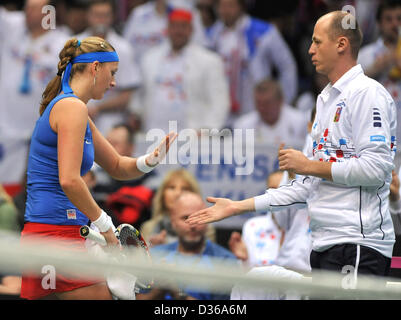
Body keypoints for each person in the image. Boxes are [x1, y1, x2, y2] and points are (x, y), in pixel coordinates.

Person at [187, 10, 397, 287]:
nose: (310, 50)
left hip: (357, 242)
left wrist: (307, 165)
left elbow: (377, 170)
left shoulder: (368, 94)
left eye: (317, 42)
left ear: (342, 44)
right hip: (324, 243)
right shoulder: (325, 99)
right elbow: (306, 187)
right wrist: (238, 207)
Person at [19, 36, 177, 300]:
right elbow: (70, 180)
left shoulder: (73, 108)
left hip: (45, 233)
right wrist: (104, 224)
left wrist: (150, 160)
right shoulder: (72, 108)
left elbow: (116, 165)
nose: (114, 82)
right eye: (112, 73)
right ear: (95, 68)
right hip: (59, 236)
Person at [0, 0, 70, 185]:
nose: (27, 12)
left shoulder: (63, 44)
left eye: (33, 8)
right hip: (6, 126)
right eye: (26, 7)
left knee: (31, 187)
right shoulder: (12, 28)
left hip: (39, 126)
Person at [136, 8, 229, 134]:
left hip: (193, 136)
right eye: (174, 26)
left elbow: (220, 101)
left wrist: (208, 129)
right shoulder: (150, 59)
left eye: (183, 26)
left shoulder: (209, 61)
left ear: (191, 30)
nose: (178, 31)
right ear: (167, 29)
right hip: (154, 133)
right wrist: (136, 115)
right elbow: (139, 95)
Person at [207, 0, 298, 121]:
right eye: (221, 6)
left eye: (230, 6)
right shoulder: (210, 35)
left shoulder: (264, 31)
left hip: (256, 110)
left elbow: (287, 66)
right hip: (221, 112)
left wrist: (283, 101)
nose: (225, 11)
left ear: (241, 7)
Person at [138, 192, 238, 300]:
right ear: (173, 222)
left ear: (209, 220)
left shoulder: (225, 262)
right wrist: (160, 288)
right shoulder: (154, 256)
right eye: (185, 218)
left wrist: (177, 292)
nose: (192, 224)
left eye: (199, 216)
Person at [76, 0, 142, 135]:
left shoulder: (123, 48)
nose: (100, 20)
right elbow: (63, 84)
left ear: (112, 18)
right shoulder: (75, 45)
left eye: (105, 15)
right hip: (76, 116)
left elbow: (126, 96)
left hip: (110, 123)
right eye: (96, 15)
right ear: (87, 16)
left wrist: (97, 108)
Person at [358, 0, 401, 171]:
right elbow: (349, 89)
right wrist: (377, 67)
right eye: (388, 19)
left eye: (399, 18)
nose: (394, 24)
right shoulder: (366, 55)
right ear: (379, 24)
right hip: (376, 143)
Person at [92, 123, 154, 230]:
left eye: (115, 144)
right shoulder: (95, 176)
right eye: (106, 143)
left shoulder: (149, 177)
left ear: (130, 147)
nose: (108, 148)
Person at [141, 168, 216, 246]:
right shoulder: (148, 227)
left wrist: (165, 250)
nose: (177, 193)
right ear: (162, 194)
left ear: (194, 195)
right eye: (172, 187)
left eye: (184, 188)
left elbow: (207, 256)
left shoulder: (205, 228)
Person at [233, 78, 308, 150]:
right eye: (259, 103)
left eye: (267, 103)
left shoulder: (300, 122)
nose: (262, 108)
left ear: (280, 101)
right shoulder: (243, 126)